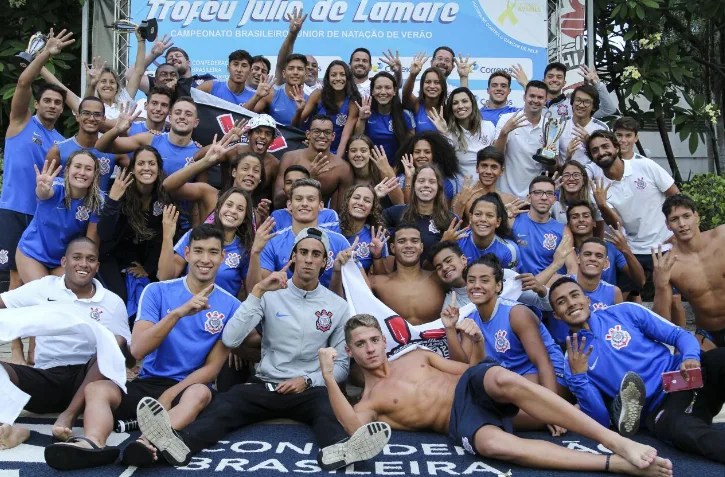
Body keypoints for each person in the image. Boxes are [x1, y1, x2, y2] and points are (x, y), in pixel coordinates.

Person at [129, 228, 390, 471]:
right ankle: (180, 444)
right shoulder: (270, 293)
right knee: (227, 404)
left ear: (324, 261)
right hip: (266, 384)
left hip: (309, 389)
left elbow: (342, 366)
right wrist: (256, 292)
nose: (309, 260)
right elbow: (231, 339)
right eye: (303, 253)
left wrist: (308, 379)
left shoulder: (337, 306)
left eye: (316, 254)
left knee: (327, 406)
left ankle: (339, 449)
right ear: (293, 257)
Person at [315, 314, 674, 476]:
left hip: (478, 386)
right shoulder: (368, 402)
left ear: (383, 339)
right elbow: (351, 429)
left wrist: (475, 341)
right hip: (461, 419)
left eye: (374, 340)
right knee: (495, 447)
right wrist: (329, 377)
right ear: (350, 351)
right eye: (360, 345)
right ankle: (616, 464)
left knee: (503, 379)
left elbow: (475, 367)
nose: (371, 349)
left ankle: (617, 441)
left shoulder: (415, 355)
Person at [44, 225, 240, 471]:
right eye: (198, 251)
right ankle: (93, 444)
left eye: (213, 252)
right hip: (149, 382)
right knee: (97, 389)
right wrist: (178, 314)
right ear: (187, 253)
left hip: (187, 387)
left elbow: (212, 369)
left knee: (200, 392)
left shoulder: (232, 305)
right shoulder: (157, 291)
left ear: (222, 257)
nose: (205, 259)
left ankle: (148, 442)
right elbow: (137, 350)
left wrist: (170, 395)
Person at [550, 276, 725, 464]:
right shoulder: (571, 361)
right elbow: (599, 421)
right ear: (557, 315)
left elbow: (678, 334)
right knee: (684, 431)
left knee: (720, 358)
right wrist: (579, 378)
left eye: (575, 295)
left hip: (684, 375)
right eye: (561, 302)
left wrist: (690, 356)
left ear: (587, 299)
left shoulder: (625, 311)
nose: (570, 303)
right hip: (660, 408)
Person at [0, 238, 131, 449]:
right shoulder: (44, 288)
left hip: (88, 381)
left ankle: (68, 416)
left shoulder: (112, 302)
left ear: (97, 266)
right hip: (46, 377)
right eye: (76, 257)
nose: (83, 264)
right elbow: (3, 302)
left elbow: (127, 353)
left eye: (90, 259)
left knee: (116, 341)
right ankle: (9, 429)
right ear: (64, 261)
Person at [0, 29, 71, 365]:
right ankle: (15, 348)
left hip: (41, 218)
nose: (54, 106)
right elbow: (26, 83)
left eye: (58, 103)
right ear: (38, 103)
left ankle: (33, 346)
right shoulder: (19, 122)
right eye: (48, 100)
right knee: (14, 280)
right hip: (12, 211)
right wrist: (45, 55)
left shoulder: (59, 140)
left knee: (34, 285)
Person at [452, 255, 570, 417]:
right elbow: (465, 367)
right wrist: (450, 328)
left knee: (493, 414)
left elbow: (543, 361)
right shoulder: (469, 319)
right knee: (474, 407)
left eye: (485, 280)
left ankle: (564, 412)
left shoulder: (517, 313)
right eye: (471, 280)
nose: (476, 286)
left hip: (549, 377)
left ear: (498, 286)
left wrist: (553, 408)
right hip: (510, 380)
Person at [588, 131, 685, 326]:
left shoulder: (645, 166)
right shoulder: (597, 188)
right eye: (595, 150)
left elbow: (676, 196)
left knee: (673, 298)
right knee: (624, 298)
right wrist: (603, 205)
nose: (601, 152)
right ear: (592, 158)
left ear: (616, 147)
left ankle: (684, 345)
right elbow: (617, 224)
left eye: (605, 146)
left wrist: (678, 233)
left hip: (664, 244)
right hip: (632, 247)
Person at [96, 146, 173, 305]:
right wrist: (113, 200)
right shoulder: (119, 189)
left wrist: (148, 268)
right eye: (141, 163)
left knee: (152, 299)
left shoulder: (164, 196)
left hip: (142, 258)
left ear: (158, 169)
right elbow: (104, 233)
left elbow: (163, 236)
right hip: (111, 256)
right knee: (119, 298)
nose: (146, 168)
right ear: (132, 169)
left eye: (151, 163)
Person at [247, 179, 354, 290]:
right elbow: (255, 292)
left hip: (327, 306)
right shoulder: (273, 242)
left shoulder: (339, 242)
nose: (304, 203)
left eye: (310, 199)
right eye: (298, 199)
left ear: (321, 206)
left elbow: (360, 289)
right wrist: (255, 252)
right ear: (289, 205)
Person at [16, 153, 103, 286]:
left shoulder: (98, 200)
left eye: (88, 169)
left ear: (95, 174)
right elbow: (44, 193)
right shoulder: (54, 186)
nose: (82, 172)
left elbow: (90, 241)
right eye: (77, 166)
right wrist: (42, 188)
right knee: (43, 296)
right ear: (67, 170)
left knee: (66, 297)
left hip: (64, 259)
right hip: (33, 253)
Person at [158, 187, 254, 298]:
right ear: (218, 209)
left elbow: (251, 293)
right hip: (185, 308)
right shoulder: (194, 235)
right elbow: (165, 277)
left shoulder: (244, 249)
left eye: (240, 209)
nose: (232, 211)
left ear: (245, 218)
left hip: (223, 313)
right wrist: (167, 237)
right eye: (229, 205)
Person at [660, 194, 725, 349]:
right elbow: (661, 320)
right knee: (685, 364)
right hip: (707, 335)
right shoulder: (668, 264)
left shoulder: (722, 237)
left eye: (686, 216)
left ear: (696, 217)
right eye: (675, 219)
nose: (682, 224)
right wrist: (660, 285)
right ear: (668, 225)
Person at [163, 146, 269, 227]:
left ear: (259, 179)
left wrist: (264, 220)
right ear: (234, 172)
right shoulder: (209, 194)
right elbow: (167, 186)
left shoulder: (257, 215)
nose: (250, 173)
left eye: (256, 171)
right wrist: (204, 162)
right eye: (245, 168)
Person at [95, 97, 201, 178]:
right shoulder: (150, 139)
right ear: (170, 118)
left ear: (196, 123)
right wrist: (117, 129)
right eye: (178, 113)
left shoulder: (200, 153)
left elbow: (199, 195)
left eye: (188, 114)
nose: (182, 117)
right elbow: (101, 147)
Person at [366, 225, 445, 325]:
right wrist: (376, 257)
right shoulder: (376, 283)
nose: (408, 245)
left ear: (421, 247)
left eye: (414, 241)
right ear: (393, 248)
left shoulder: (440, 279)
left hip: (438, 340)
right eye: (402, 241)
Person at [46, 96, 127, 192]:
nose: (91, 118)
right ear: (77, 116)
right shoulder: (58, 150)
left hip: (102, 206)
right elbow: (45, 188)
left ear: (104, 119)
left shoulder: (114, 150)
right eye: (86, 113)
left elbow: (136, 176)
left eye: (97, 114)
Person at [274, 114, 354, 211]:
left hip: (321, 221)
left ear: (333, 136)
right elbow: (277, 201)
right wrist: (306, 178)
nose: (322, 136)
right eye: (317, 131)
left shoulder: (343, 168)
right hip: (289, 215)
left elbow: (343, 211)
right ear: (308, 134)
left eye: (327, 132)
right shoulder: (290, 158)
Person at [383, 165, 457, 265]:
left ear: (439, 187)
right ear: (414, 185)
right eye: (421, 181)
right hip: (401, 276)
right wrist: (375, 196)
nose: (426, 185)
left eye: (432, 181)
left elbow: (453, 258)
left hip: (434, 277)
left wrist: (443, 244)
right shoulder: (398, 212)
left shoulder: (450, 219)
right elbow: (371, 225)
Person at [566, 201, 646, 290]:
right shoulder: (564, 252)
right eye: (575, 217)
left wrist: (626, 250)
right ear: (568, 224)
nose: (581, 220)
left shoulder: (611, 248)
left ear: (594, 222)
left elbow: (640, 280)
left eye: (586, 216)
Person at [493, 81, 547, 199]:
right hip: (505, 194)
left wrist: (548, 154)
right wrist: (504, 133)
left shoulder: (550, 126)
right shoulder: (507, 119)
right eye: (532, 96)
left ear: (545, 100)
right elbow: (495, 156)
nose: (535, 100)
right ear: (524, 97)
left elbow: (552, 167)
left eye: (540, 97)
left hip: (533, 197)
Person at [430, 87, 496, 180]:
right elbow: (445, 163)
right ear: (451, 108)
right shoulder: (448, 132)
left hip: (486, 189)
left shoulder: (488, 126)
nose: (460, 106)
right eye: (455, 103)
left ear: (472, 103)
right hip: (462, 190)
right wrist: (444, 134)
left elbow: (497, 159)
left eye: (464, 101)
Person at [297, 60, 361, 155]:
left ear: (348, 78)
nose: (338, 78)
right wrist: (299, 110)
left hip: (338, 151)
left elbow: (345, 137)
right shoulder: (318, 95)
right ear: (328, 78)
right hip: (313, 149)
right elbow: (296, 123)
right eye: (333, 75)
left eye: (342, 74)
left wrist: (337, 161)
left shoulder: (353, 101)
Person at [512, 176, 572, 275]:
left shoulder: (563, 230)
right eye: (538, 193)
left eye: (549, 193)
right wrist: (503, 213)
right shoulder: (513, 220)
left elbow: (572, 267)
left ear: (554, 199)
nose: (544, 197)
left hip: (548, 288)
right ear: (529, 197)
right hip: (519, 286)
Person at [355, 72, 415, 162]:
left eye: (388, 88)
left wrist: (395, 170)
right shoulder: (365, 112)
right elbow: (357, 140)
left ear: (394, 91)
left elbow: (410, 148)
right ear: (372, 91)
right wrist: (362, 119)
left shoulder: (405, 115)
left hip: (397, 170)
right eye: (378, 88)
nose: (383, 92)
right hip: (369, 168)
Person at [528, 62, 617, 120]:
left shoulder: (573, 106)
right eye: (550, 76)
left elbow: (608, 110)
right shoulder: (532, 105)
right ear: (543, 81)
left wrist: (598, 85)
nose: (554, 80)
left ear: (564, 83)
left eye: (559, 77)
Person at [452, 146, 517, 224]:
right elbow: (451, 227)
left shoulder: (509, 200)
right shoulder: (462, 198)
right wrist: (461, 203)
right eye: (484, 166)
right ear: (477, 168)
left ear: (501, 171)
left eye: (494, 167)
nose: (488, 171)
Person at [457, 194, 520, 269]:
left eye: (489, 215)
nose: (483, 219)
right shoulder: (457, 241)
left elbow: (510, 280)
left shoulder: (509, 250)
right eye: (478, 214)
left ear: (498, 222)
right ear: (470, 218)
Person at [394, 131, 461, 203]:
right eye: (417, 152)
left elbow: (445, 211)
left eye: (427, 152)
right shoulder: (402, 179)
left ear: (437, 155)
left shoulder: (449, 182)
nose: (422, 155)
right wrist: (409, 179)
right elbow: (407, 208)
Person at [558, 84, 609, 176]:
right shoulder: (559, 125)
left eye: (587, 102)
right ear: (572, 102)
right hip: (566, 178)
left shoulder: (602, 128)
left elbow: (606, 160)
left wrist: (589, 145)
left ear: (594, 106)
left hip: (593, 180)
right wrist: (568, 156)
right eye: (578, 100)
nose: (581, 105)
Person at [245, 53, 308, 127]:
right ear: (284, 74)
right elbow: (244, 114)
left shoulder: (311, 100)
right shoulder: (271, 94)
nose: (295, 72)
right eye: (291, 68)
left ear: (305, 74)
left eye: (300, 69)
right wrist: (257, 96)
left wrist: (299, 112)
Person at [271, 165, 340, 233]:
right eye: (288, 182)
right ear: (284, 189)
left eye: (300, 182)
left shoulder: (329, 215)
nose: (293, 186)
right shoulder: (276, 216)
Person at [338, 184, 390, 273]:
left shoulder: (377, 237)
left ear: (372, 209)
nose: (360, 203)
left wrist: (376, 256)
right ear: (348, 202)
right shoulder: (328, 230)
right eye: (356, 198)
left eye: (367, 201)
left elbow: (382, 277)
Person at [346, 134, 404, 207]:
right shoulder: (344, 174)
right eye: (353, 151)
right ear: (347, 153)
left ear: (371, 153)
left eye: (363, 151)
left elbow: (400, 204)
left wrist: (388, 171)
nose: (358, 154)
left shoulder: (382, 173)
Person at [550, 160, 604, 236]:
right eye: (566, 175)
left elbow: (599, 234)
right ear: (561, 179)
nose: (571, 179)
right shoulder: (552, 198)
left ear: (584, 180)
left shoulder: (593, 199)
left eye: (576, 175)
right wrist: (547, 192)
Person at [402, 52, 448, 134]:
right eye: (428, 82)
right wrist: (413, 75)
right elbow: (406, 95)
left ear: (443, 87)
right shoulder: (417, 105)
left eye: (437, 82)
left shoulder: (448, 109)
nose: (432, 86)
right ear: (422, 86)